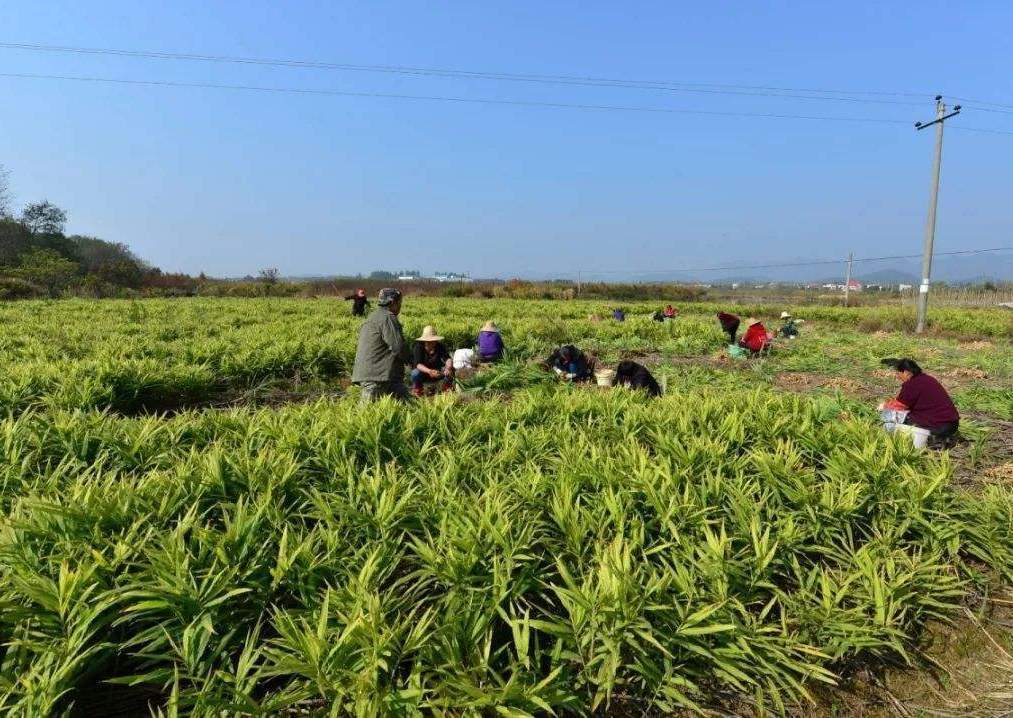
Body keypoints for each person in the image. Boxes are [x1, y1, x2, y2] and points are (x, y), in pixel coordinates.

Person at [351, 288, 412, 403]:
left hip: (380, 375)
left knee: (406, 406)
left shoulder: (372, 317)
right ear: (393, 302)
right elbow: (398, 346)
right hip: (377, 376)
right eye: (399, 302)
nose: (400, 306)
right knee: (369, 416)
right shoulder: (388, 317)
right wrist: (412, 360)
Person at [879, 358, 959, 444]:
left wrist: (883, 406)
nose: (898, 376)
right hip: (952, 424)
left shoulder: (912, 384)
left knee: (892, 419)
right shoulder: (928, 379)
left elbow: (899, 406)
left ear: (906, 372)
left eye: (898, 373)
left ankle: (933, 439)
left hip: (938, 426)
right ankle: (940, 437)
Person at [411, 326, 454, 396]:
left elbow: (448, 359)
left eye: (433, 341)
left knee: (451, 370)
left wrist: (448, 367)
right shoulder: (418, 347)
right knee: (415, 373)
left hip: (437, 372)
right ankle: (417, 390)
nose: (432, 342)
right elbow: (418, 365)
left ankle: (447, 389)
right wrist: (429, 371)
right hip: (424, 373)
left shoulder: (439, 346)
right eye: (429, 341)